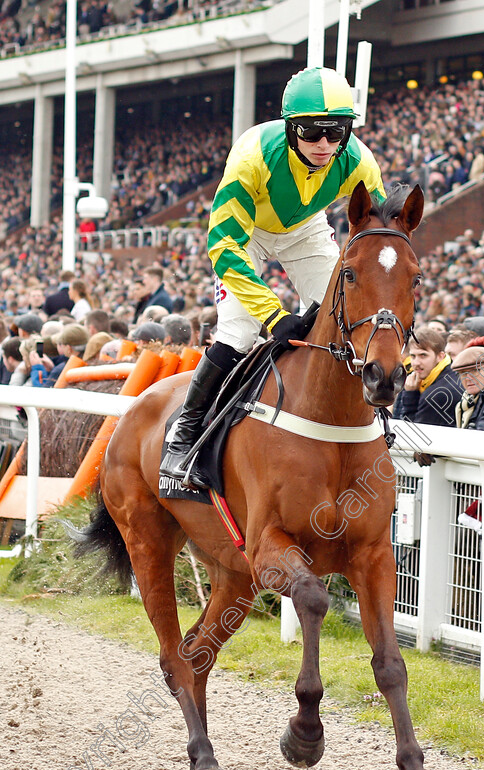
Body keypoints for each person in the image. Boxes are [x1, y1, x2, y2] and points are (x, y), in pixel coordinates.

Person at [161, 67, 385, 486]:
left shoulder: (359, 161)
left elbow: (379, 235)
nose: (324, 145)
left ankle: (372, 418)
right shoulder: (253, 158)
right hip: (245, 233)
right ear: (289, 128)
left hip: (304, 228)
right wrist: (274, 316)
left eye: (336, 133)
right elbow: (224, 245)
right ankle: (184, 433)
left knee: (347, 316)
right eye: (311, 132)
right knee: (241, 332)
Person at [394, 326, 463, 427]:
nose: (416, 363)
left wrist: (410, 395)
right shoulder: (450, 373)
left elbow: (413, 435)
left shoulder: (437, 394)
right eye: (413, 356)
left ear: (440, 356)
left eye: (423, 355)